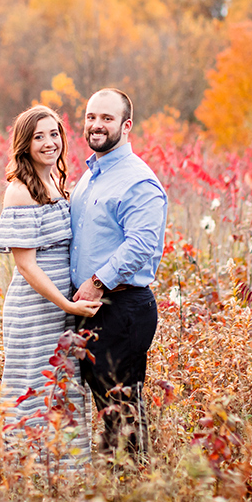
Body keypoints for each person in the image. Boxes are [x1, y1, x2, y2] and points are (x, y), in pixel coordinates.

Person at [0, 105, 102, 464]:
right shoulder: (20, 191)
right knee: (35, 385)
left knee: (63, 384)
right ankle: (31, 473)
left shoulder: (56, 181)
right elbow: (25, 265)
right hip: (35, 308)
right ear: (24, 144)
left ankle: (68, 475)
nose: (49, 142)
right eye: (39, 136)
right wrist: (67, 304)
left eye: (54, 134)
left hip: (60, 307)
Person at [71, 88, 167, 460]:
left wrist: (97, 283)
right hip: (92, 309)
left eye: (106, 118)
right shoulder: (91, 175)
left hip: (122, 308)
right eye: (91, 117)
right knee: (107, 409)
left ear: (126, 126)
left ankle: (130, 487)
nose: (96, 125)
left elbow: (142, 244)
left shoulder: (137, 180)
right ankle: (116, 485)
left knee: (122, 412)